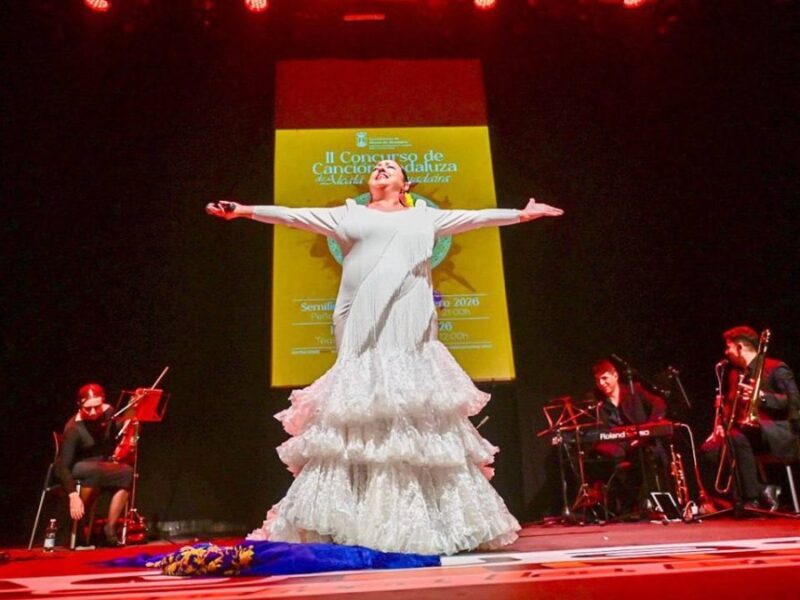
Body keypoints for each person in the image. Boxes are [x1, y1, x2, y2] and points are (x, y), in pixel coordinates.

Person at [206, 159, 563, 555]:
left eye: (390, 167)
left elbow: (476, 218)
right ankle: (351, 517)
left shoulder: (424, 218)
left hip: (409, 317)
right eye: (377, 166)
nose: (381, 169)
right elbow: (294, 216)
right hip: (358, 315)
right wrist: (244, 211)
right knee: (361, 405)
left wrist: (523, 214)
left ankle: (425, 519)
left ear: (405, 183)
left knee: (407, 401)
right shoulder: (348, 215)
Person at [702, 326, 800, 510]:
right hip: (744, 434)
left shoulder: (775, 368)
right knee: (711, 448)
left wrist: (762, 397)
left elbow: (794, 402)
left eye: (728, 347)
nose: (726, 352)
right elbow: (731, 407)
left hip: (776, 432)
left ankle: (751, 500)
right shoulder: (734, 374)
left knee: (735, 438)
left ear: (740, 347)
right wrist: (721, 426)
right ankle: (761, 490)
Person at [54, 383, 133, 546]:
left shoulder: (108, 412)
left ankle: (109, 529)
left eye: (97, 407)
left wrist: (134, 409)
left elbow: (118, 428)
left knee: (127, 472)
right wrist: (73, 495)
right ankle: (79, 527)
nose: (92, 412)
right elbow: (64, 466)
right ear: (80, 406)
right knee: (96, 471)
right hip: (75, 466)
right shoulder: (73, 428)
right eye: (87, 408)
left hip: (98, 465)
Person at [588, 360, 669, 512]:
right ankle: (613, 506)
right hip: (617, 444)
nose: (601, 383)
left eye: (605, 378)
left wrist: (649, 427)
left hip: (640, 441)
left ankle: (645, 504)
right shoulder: (597, 401)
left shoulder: (634, 390)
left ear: (615, 376)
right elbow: (600, 431)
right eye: (598, 380)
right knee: (597, 455)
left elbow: (659, 403)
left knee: (645, 454)